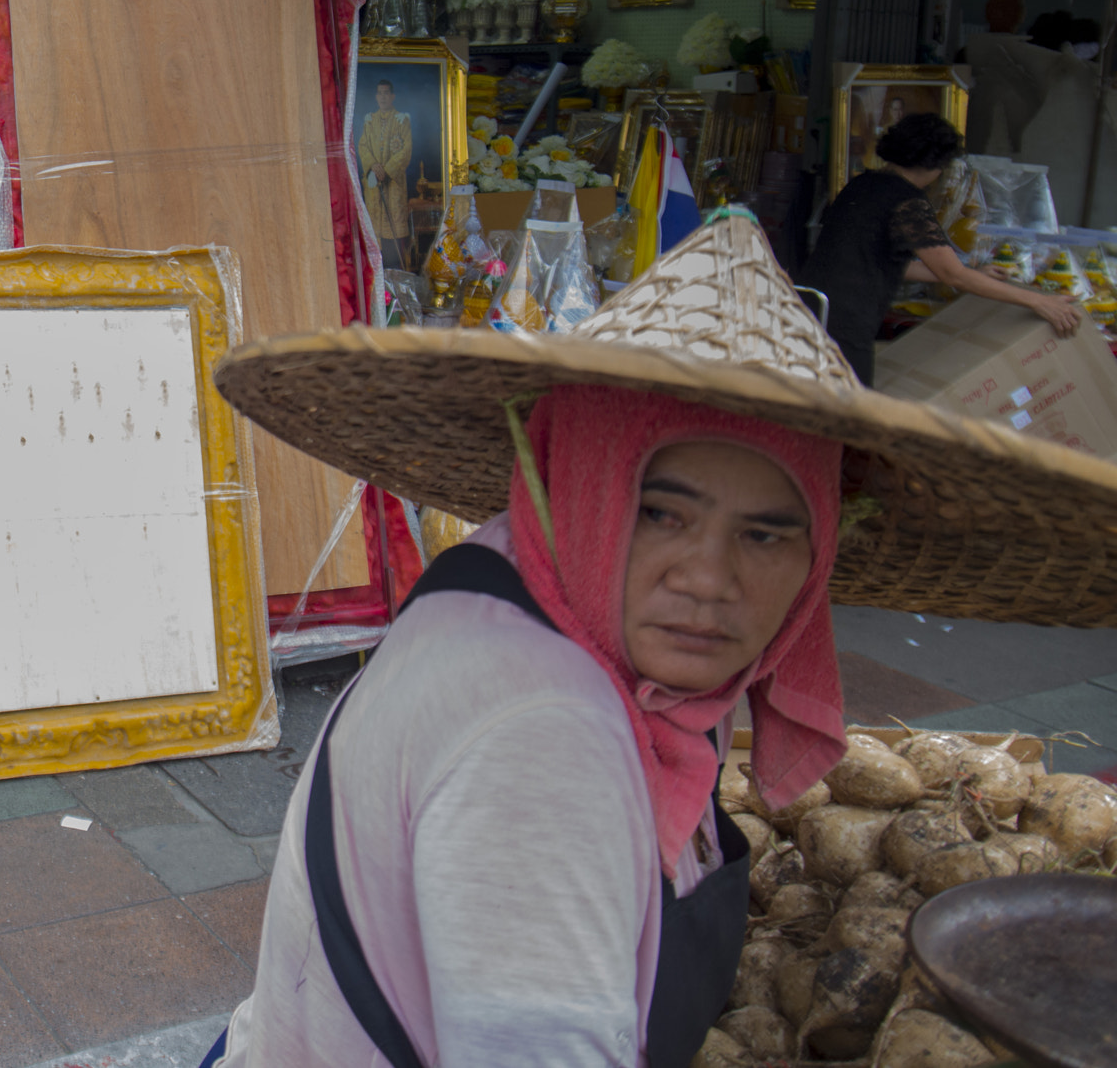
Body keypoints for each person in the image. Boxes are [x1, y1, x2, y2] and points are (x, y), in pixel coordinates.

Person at [203, 210, 1117, 1068]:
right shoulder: (542, 738)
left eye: (766, 532)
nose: (707, 580)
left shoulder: (547, 584)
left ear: (822, 545)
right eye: (657, 511)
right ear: (583, 487)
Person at [802, 112, 1080, 385]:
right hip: (843, 321)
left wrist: (973, 273)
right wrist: (1039, 301)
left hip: (810, 307)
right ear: (934, 164)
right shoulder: (906, 201)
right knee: (844, 411)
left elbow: (885, 260)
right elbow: (953, 275)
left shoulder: (863, 184)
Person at [359, 80, 412, 267]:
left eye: (386, 93)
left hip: (393, 187)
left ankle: (395, 279)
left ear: (392, 96)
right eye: (379, 93)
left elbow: (406, 149)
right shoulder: (369, 120)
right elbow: (363, 146)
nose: (382, 97)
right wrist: (374, 165)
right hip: (374, 186)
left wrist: (387, 170)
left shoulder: (401, 119)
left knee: (393, 238)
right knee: (375, 236)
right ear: (376, 96)